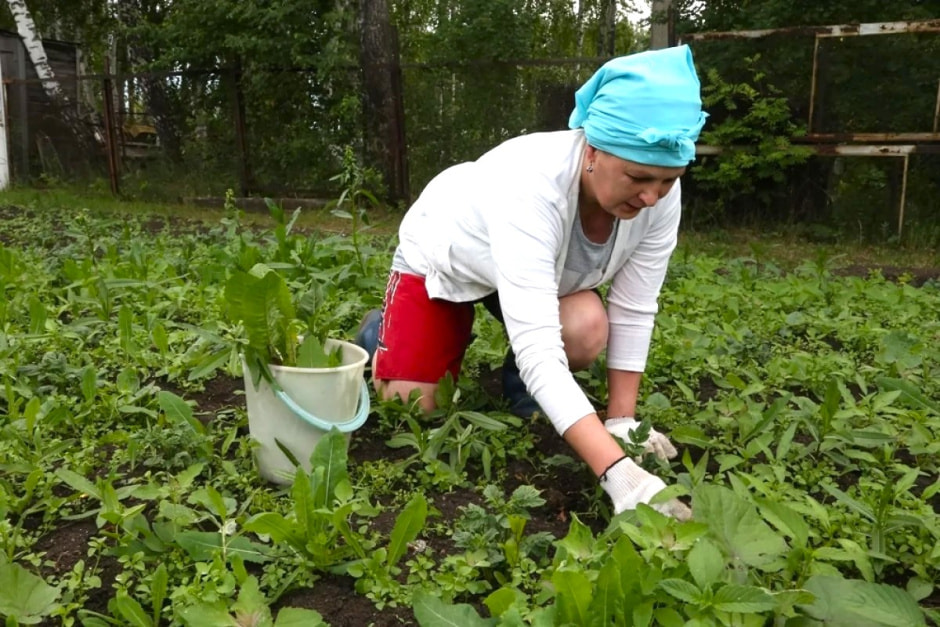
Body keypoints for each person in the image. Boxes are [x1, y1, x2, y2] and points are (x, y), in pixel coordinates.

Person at [356, 45, 707, 519]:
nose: (651, 196)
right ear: (593, 148)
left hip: (538, 276)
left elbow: (635, 306)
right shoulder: (530, 185)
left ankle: (521, 388)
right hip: (449, 256)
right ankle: (380, 335)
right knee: (412, 409)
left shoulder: (660, 192)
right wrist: (619, 474)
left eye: (667, 181)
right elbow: (542, 347)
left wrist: (621, 422)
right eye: (638, 178)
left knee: (585, 328)